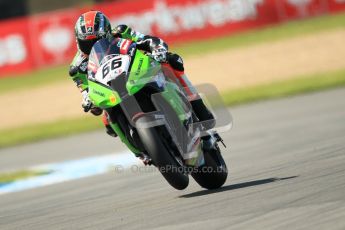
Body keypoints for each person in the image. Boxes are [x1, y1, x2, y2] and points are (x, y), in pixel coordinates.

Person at [69, 11, 220, 156]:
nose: (92, 46)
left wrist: (157, 49)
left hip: (137, 72)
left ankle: (200, 111)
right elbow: (87, 90)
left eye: (97, 40)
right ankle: (140, 153)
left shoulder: (121, 32)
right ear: (78, 41)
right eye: (86, 43)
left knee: (172, 61)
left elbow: (147, 40)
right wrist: (89, 100)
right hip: (112, 89)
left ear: (107, 33)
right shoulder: (77, 68)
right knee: (107, 121)